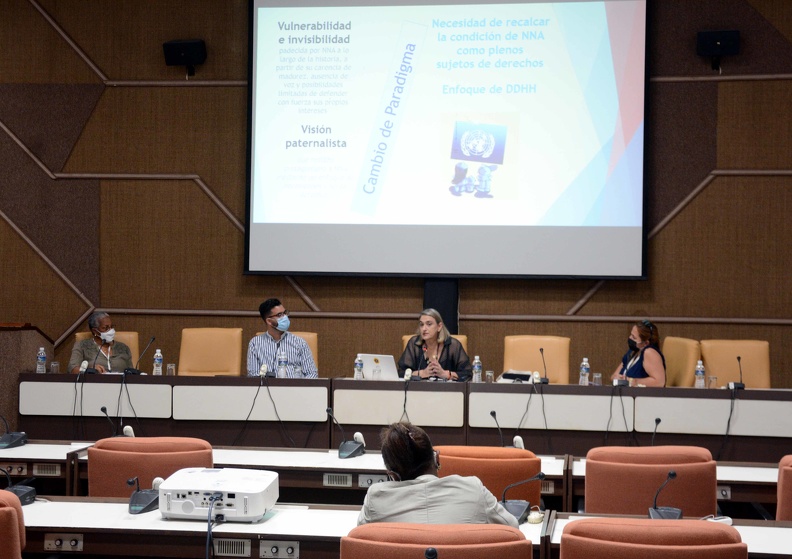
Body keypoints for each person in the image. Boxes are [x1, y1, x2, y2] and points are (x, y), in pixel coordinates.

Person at [357, 422, 518, 527]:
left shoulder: (376, 498)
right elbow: (513, 529)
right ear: (437, 458)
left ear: (392, 475)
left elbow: (360, 538)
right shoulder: (473, 489)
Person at [247, 298, 318, 378]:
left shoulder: (300, 343)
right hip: (267, 389)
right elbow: (253, 376)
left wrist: (299, 389)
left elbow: (312, 374)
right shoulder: (255, 344)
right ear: (269, 321)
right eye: (280, 315)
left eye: (285, 313)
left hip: (295, 389)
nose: (285, 317)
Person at [398, 308, 471, 381]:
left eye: (429, 324)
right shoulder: (414, 344)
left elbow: (467, 374)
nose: (424, 328)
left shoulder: (453, 345)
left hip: (447, 391)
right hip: (419, 390)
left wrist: (445, 374)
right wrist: (422, 373)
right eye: (421, 324)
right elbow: (401, 373)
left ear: (439, 327)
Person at [68, 311, 133, 374]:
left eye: (111, 327)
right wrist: (89, 370)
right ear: (95, 331)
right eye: (105, 328)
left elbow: (132, 373)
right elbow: (72, 369)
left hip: (120, 384)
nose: (110, 331)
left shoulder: (123, 348)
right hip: (93, 383)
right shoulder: (82, 346)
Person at [611, 319, 666, 387]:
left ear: (645, 343)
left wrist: (634, 381)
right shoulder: (633, 352)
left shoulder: (650, 353)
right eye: (631, 335)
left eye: (634, 337)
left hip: (642, 396)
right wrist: (617, 378)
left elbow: (659, 382)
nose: (630, 338)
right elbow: (614, 376)